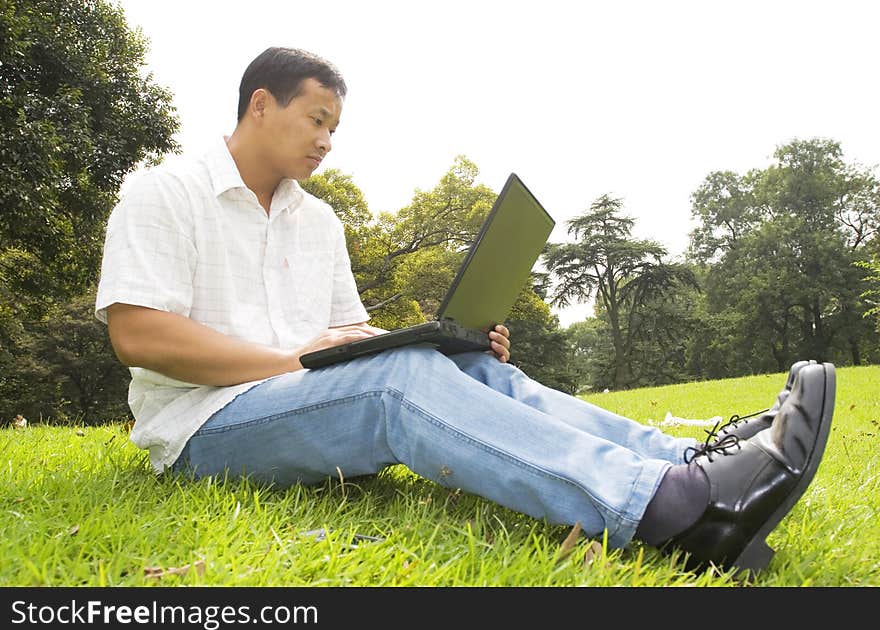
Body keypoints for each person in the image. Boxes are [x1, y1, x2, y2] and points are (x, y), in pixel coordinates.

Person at [95, 46, 836, 575]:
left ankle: (686, 460)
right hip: (206, 428)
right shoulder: (166, 190)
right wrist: (294, 360)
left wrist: (449, 342)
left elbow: (351, 334)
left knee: (452, 364)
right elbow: (138, 334)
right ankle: (675, 511)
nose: (326, 140)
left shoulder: (317, 222)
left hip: (303, 397)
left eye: (335, 129)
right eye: (316, 119)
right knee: (392, 385)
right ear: (261, 104)